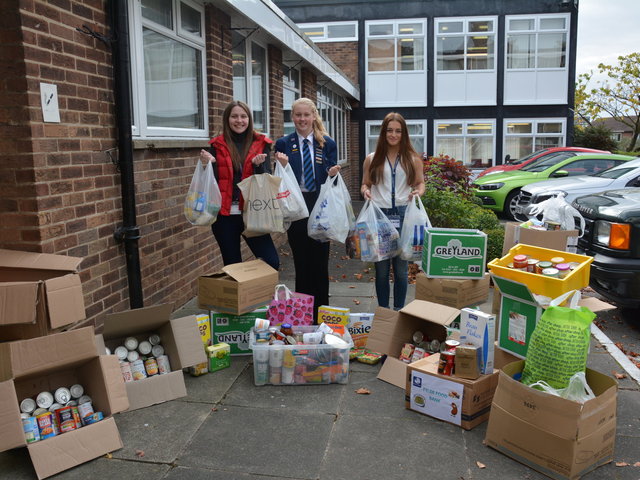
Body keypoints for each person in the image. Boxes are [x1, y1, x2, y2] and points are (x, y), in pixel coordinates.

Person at [199, 100, 287, 271]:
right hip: (224, 216)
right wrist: (207, 165)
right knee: (232, 266)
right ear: (227, 119)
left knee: (271, 261)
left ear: (249, 119)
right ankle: (242, 298)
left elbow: (267, 179)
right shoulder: (215, 146)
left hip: (254, 212)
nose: (239, 120)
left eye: (243, 116)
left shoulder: (262, 144)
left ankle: (258, 295)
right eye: (234, 116)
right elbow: (211, 183)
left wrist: (258, 166)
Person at [275, 98, 340, 320]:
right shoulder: (283, 143)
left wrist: (333, 174)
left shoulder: (327, 143)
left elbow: (332, 179)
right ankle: (304, 315)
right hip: (297, 207)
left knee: (320, 263)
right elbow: (277, 178)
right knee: (301, 263)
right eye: (298, 115)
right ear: (292, 117)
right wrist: (281, 165)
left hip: (320, 206)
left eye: (306, 115)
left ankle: (323, 314)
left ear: (314, 116)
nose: (302, 119)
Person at [360, 112, 425, 310]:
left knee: (401, 270)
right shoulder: (372, 159)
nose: (393, 135)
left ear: (403, 133)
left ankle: (398, 311)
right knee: (381, 270)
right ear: (383, 132)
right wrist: (365, 192)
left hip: (404, 215)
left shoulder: (412, 159)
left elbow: (421, 183)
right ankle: (383, 311)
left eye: (398, 131)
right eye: (390, 130)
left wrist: (418, 193)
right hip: (380, 216)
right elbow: (365, 184)